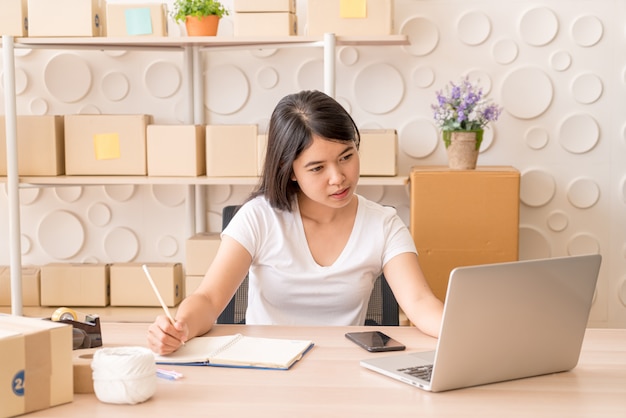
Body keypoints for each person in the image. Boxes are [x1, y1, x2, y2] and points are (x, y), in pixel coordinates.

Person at [148, 90, 443, 355]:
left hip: (343, 367)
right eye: (317, 168)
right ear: (289, 171)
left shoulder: (383, 224)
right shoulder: (259, 217)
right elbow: (209, 299)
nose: (338, 177)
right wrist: (180, 327)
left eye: (346, 157)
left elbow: (419, 303)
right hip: (265, 366)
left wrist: (467, 331)